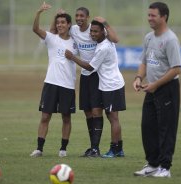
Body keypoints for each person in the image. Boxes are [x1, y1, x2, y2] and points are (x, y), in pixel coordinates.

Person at [52, 7, 121, 157]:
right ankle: (93, 148)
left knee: (97, 111)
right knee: (88, 113)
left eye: (82, 15)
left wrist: (106, 23)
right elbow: (56, 32)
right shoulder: (74, 30)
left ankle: (96, 148)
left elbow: (115, 40)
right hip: (85, 76)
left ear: (88, 17)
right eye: (77, 15)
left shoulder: (96, 29)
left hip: (97, 74)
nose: (79, 18)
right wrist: (59, 16)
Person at [132, 2, 181, 178]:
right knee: (148, 127)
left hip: (167, 89)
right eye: (148, 15)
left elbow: (176, 69)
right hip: (151, 89)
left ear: (164, 17)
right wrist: (139, 78)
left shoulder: (170, 39)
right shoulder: (149, 37)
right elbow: (144, 61)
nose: (149, 18)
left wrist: (156, 84)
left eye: (153, 15)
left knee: (166, 129)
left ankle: (165, 168)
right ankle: (152, 164)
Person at [65, 19, 126, 159]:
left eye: (96, 31)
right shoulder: (103, 43)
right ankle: (119, 149)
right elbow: (114, 38)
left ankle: (115, 149)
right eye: (91, 31)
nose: (92, 34)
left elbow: (90, 67)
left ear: (103, 32)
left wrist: (72, 57)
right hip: (107, 84)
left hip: (112, 84)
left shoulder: (104, 47)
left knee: (113, 117)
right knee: (112, 117)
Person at [30, 2, 78, 158]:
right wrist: (39, 12)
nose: (60, 25)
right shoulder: (51, 38)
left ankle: (63, 149)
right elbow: (35, 29)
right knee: (45, 116)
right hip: (51, 83)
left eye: (63, 22)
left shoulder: (75, 42)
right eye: (58, 23)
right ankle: (39, 149)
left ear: (69, 24)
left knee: (66, 117)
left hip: (68, 85)